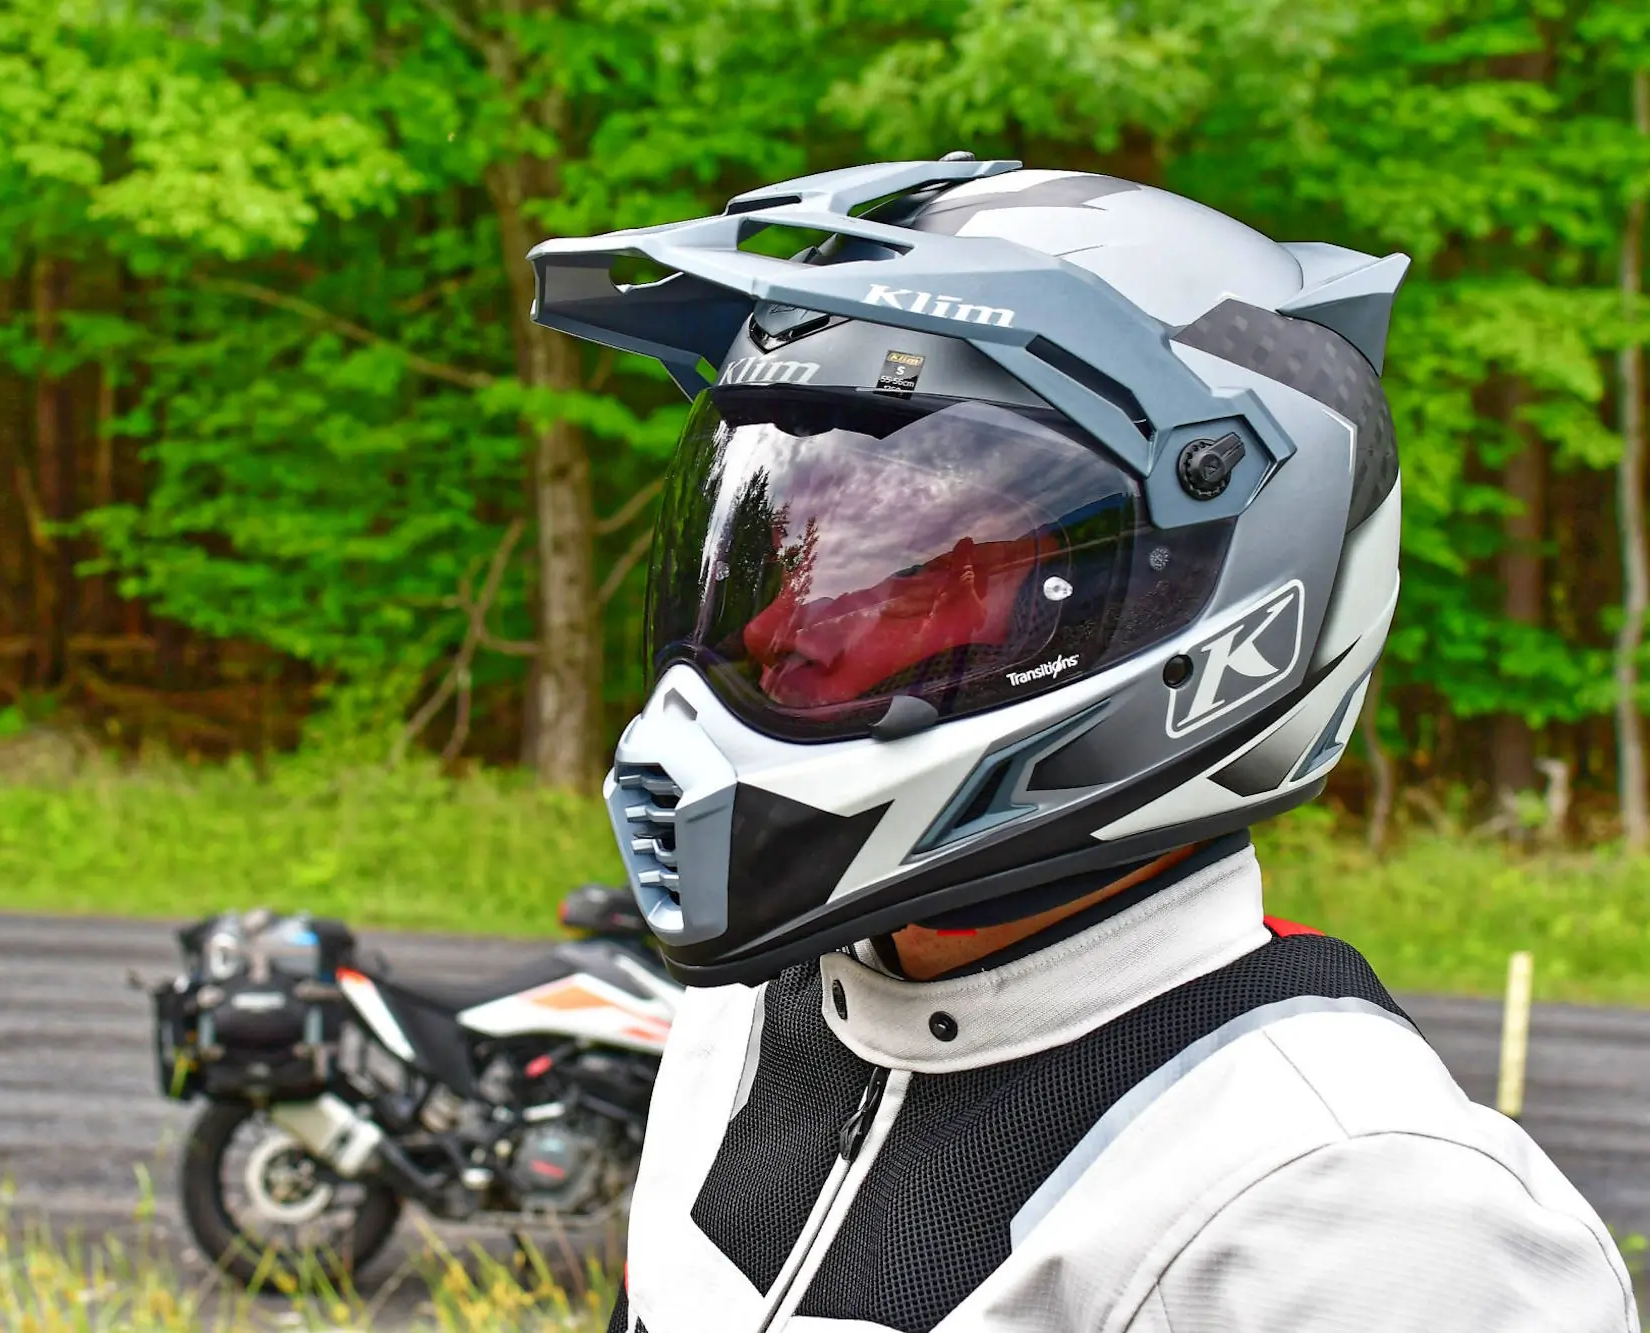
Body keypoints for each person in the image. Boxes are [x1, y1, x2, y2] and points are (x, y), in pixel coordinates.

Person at [525, 157, 1639, 1332]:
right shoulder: (744, 1023)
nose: (760, 630)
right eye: (780, 547)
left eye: (901, 573)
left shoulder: (1363, 1209)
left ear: (1171, 603)